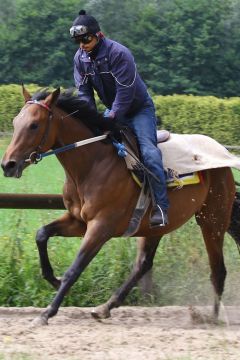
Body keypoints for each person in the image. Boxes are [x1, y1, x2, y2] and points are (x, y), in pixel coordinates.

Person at [70, 10, 169, 227]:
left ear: (99, 35)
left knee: (150, 154)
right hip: (113, 110)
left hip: (138, 110)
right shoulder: (80, 59)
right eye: (78, 41)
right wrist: (91, 120)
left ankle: (161, 208)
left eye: (85, 39)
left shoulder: (119, 54)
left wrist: (110, 117)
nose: (82, 45)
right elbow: (85, 93)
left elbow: (125, 93)